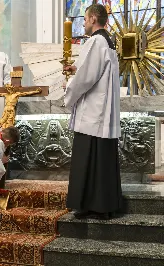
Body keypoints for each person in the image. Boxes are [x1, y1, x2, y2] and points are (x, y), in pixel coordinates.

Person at [64, 4, 122, 220]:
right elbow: (92, 69)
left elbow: (87, 78)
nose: (84, 23)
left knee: (88, 156)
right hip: (102, 111)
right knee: (101, 160)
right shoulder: (108, 41)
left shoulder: (96, 41)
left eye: (86, 19)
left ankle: (88, 204)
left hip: (93, 113)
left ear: (94, 19)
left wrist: (69, 86)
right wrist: (76, 69)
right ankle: (103, 204)